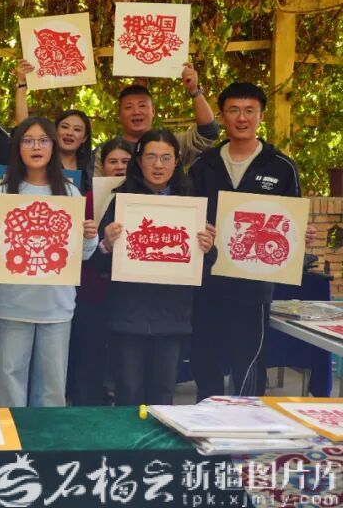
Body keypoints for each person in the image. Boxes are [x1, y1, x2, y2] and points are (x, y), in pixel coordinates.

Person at [189, 83, 317, 399]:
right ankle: (205, 422)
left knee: (248, 364)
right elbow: (188, 215)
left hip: (254, 288)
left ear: (261, 116)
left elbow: (291, 224)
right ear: (223, 115)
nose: (241, 118)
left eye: (249, 110)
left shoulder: (281, 166)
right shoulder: (204, 165)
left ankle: (246, 424)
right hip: (207, 283)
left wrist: (300, 234)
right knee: (206, 361)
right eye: (234, 110)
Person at [0, 118, 99, 407]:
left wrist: (89, 237)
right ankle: (13, 437)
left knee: (52, 390)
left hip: (56, 307)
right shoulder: (3, 193)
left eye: (43, 140)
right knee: (10, 386)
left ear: (53, 146)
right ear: (17, 147)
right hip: (11, 306)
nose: (36, 147)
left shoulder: (69, 193)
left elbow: (82, 255)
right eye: (28, 140)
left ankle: (47, 438)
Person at [93, 129, 216, 405]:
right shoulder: (122, 201)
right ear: (139, 161)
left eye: (166, 158)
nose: (158, 165)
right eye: (151, 157)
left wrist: (208, 248)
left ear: (176, 162)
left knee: (163, 394)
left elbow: (204, 265)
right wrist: (106, 244)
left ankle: (159, 436)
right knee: (128, 392)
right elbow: (98, 261)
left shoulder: (190, 202)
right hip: (128, 316)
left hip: (172, 316)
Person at [67, 137, 134, 406]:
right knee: (89, 358)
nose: (119, 167)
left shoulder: (148, 199)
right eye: (113, 161)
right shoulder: (88, 200)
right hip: (92, 291)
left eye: (126, 161)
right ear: (102, 166)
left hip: (130, 296)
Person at [90, 64, 219, 173]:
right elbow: (95, 188)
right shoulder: (103, 152)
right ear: (119, 114)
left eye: (142, 106)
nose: (136, 112)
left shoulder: (172, 144)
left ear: (153, 111)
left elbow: (208, 133)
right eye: (129, 107)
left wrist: (194, 90)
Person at [12, 62, 94, 190]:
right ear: (54, 132)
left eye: (77, 129)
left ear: (84, 138)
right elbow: (24, 127)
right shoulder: (41, 161)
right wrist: (22, 84)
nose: (69, 132)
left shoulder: (91, 167)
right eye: (64, 127)